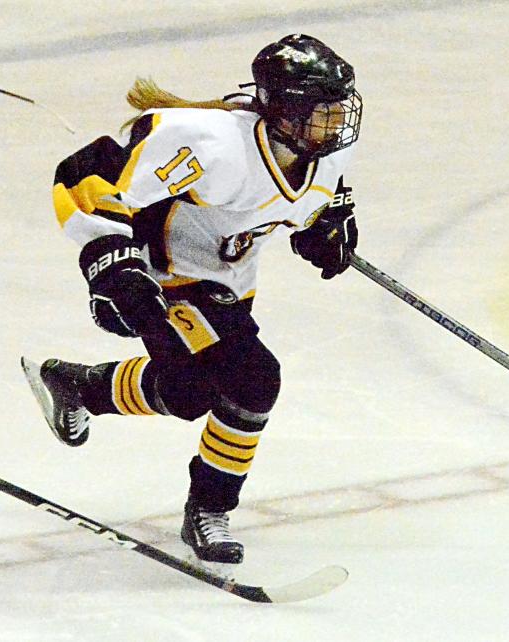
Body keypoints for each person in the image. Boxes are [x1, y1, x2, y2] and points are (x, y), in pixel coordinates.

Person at [21, 34, 363, 567]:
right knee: (254, 379)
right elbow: (89, 174)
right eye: (321, 109)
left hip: (228, 283)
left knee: (188, 393)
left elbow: (318, 201)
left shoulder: (322, 152)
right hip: (170, 277)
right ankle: (209, 509)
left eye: (338, 106)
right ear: (285, 109)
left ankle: (79, 386)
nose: (336, 120)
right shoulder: (210, 142)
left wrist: (328, 225)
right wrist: (112, 261)